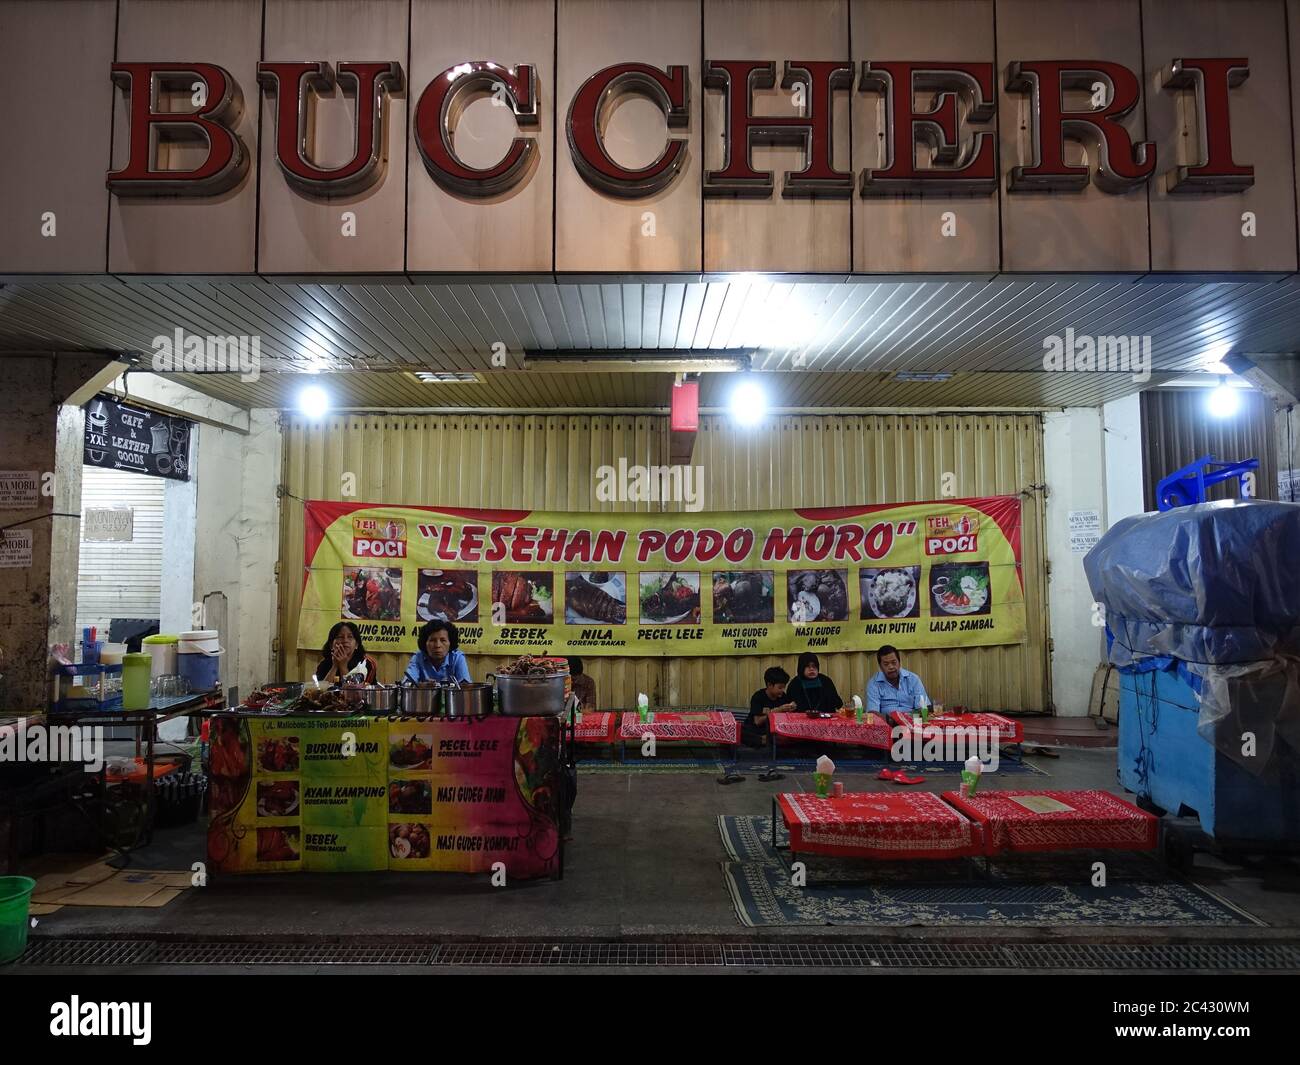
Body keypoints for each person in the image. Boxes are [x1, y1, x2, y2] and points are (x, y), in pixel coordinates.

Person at [866, 645, 930, 719]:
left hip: (912, 722)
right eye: (886, 664)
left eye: (894, 662)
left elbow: (924, 708)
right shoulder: (874, 683)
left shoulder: (913, 679)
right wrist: (893, 720)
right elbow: (872, 713)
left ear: (899, 662)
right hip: (886, 724)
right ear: (880, 667)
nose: (891, 667)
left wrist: (904, 718)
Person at [312, 622, 378, 687]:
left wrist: (343, 666)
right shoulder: (324, 664)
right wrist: (334, 666)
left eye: (350, 637)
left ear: (356, 645)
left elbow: (354, 694)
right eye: (340, 637)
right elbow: (321, 693)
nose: (345, 640)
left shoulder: (366, 663)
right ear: (331, 645)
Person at [404, 619, 472, 683]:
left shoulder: (457, 657)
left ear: (450, 643)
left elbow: (465, 687)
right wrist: (423, 686)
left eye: (443, 640)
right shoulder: (418, 658)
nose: (437, 645)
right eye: (432, 640)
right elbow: (407, 684)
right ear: (425, 643)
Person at [743, 665, 794, 747]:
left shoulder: (783, 697)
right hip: (756, 730)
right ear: (770, 685)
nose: (782, 690)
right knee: (741, 732)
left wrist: (791, 708)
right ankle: (765, 740)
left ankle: (766, 740)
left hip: (774, 730)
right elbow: (757, 722)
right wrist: (777, 710)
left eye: (784, 687)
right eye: (780, 688)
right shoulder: (758, 697)